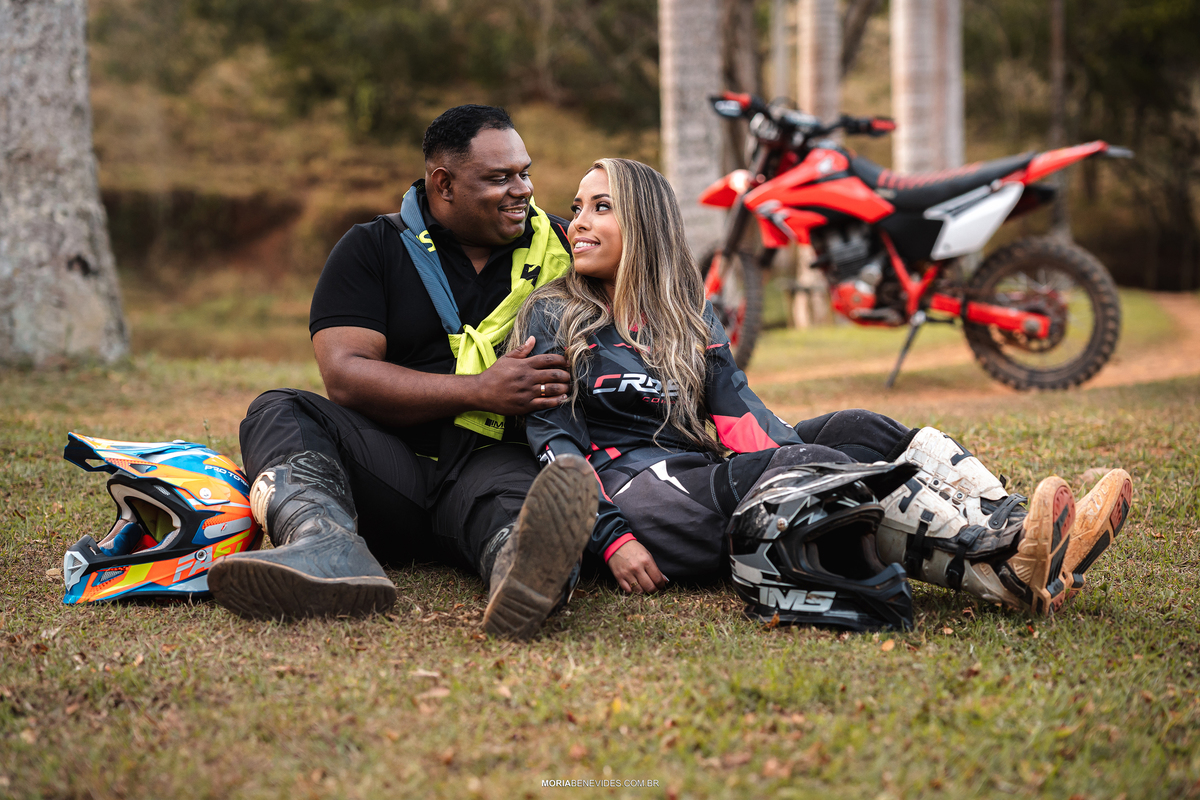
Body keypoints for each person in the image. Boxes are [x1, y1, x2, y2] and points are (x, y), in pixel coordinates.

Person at [510, 158, 1133, 616]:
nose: (577, 223)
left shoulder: (687, 316)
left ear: (644, 224)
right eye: (577, 207)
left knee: (855, 431)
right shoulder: (553, 315)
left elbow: (741, 414)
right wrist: (610, 538)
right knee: (813, 465)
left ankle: (1015, 525)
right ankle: (1003, 561)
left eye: (600, 207)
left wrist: (799, 458)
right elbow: (553, 443)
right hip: (640, 498)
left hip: (700, 470)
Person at [206, 105, 598, 641]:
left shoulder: (565, 249)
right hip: (390, 466)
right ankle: (325, 546)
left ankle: (525, 575)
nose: (522, 189)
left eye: (524, 172)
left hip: (498, 466)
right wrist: (479, 390)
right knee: (281, 409)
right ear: (444, 183)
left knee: (526, 512)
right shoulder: (373, 247)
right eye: (498, 177)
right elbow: (345, 374)